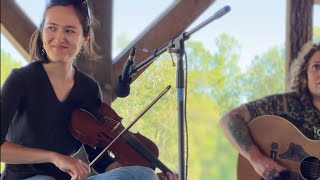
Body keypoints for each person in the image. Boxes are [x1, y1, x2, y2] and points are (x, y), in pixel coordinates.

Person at [0, 0, 178, 180]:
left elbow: (98, 159)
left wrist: (143, 173)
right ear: (42, 31)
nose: (59, 37)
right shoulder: (20, 80)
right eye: (52, 28)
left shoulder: (88, 89)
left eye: (69, 30)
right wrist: (54, 158)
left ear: (85, 38)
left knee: (144, 175)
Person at [220, 42, 320, 179]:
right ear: (305, 75)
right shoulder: (287, 104)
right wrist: (257, 159)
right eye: (316, 66)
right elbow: (230, 119)